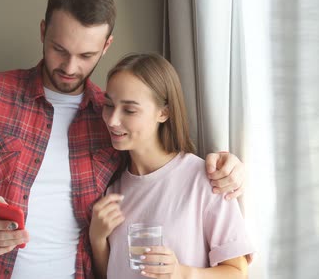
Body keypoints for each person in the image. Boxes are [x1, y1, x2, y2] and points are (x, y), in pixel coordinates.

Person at [0, 0, 246, 279]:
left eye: (86, 55)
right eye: (59, 49)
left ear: (106, 46)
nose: (70, 67)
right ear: (43, 31)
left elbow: (160, 166)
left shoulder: (108, 119)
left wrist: (227, 165)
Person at [89, 52, 254, 279]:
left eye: (129, 110)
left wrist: (182, 273)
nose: (112, 120)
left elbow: (238, 272)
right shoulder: (112, 190)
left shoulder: (204, 179)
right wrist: (97, 240)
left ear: (163, 112)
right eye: (109, 105)